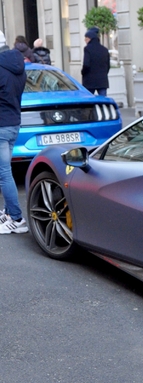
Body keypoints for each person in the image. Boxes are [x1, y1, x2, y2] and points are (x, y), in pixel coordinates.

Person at [0, 30, 29, 234]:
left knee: (4, 174)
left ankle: (17, 219)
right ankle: (9, 212)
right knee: (4, 171)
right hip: (14, 123)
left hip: (1, 125)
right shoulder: (18, 66)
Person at [81, 27, 110, 96]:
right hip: (102, 80)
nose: (85, 40)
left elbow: (86, 64)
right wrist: (103, 73)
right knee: (103, 101)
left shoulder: (87, 49)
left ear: (90, 39)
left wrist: (83, 72)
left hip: (90, 80)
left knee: (89, 101)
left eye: (86, 38)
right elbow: (108, 65)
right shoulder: (104, 50)